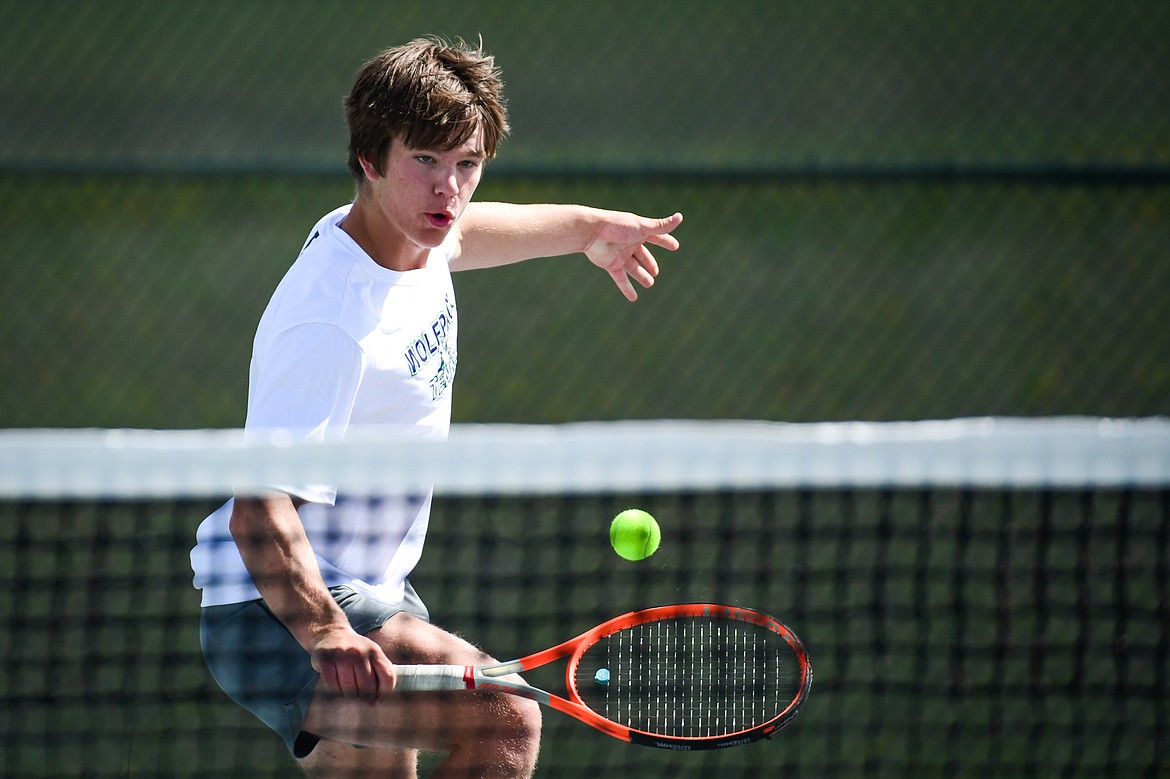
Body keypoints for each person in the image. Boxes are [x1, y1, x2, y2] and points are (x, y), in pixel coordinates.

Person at [189, 36, 682, 779]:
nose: (448, 190)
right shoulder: (329, 320)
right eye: (424, 160)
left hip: (369, 584)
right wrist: (324, 631)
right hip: (278, 603)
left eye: (467, 164)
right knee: (505, 716)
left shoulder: (412, 237)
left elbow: (468, 236)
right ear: (369, 158)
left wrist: (587, 230)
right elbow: (258, 509)